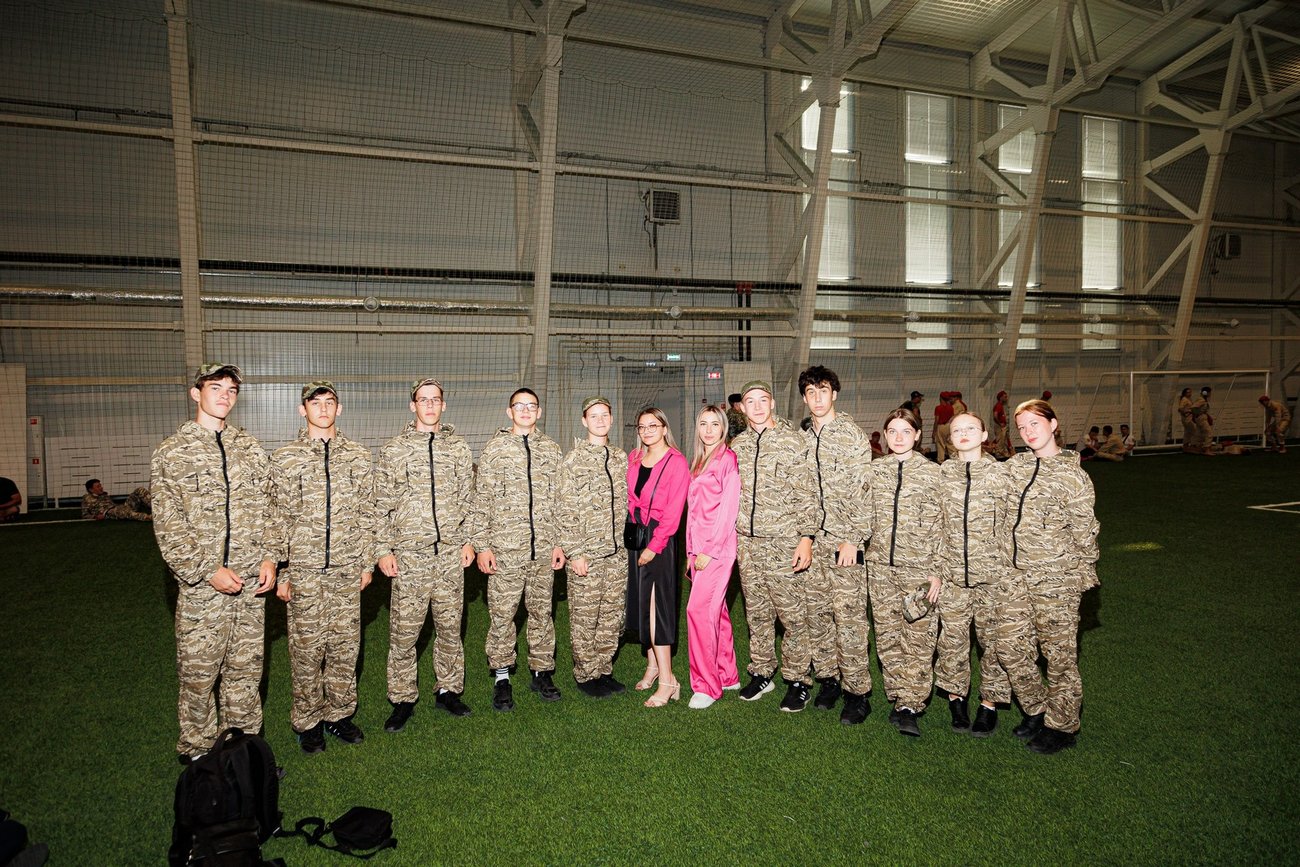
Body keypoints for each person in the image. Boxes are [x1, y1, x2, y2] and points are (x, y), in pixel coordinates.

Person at [151, 363, 273, 763]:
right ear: (195, 393)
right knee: (199, 676)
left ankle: (243, 756)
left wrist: (272, 558)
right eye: (216, 387)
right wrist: (207, 571)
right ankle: (200, 756)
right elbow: (169, 527)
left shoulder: (250, 449)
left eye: (232, 389)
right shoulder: (173, 452)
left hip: (251, 585)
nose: (225, 395)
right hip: (204, 590)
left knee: (244, 674)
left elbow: (271, 510)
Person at [261, 381, 377, 753]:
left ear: (339, 409)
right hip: (305, 570)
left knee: (345, 646)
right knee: (307, 649)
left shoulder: (358, 457)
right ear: (302, 410)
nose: (323, 408)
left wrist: (366, 563)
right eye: (315, 402)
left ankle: (340, 714)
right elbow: (276, 517)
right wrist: (282, 571)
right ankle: (308, 720)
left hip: (346, 568)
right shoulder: (285, 458)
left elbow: (367, 514)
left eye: (330, 402)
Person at [934, 413, 1046, 738]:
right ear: (949, 438)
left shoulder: (1002, 475)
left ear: (985, 435)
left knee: (992, 643)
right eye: (957, 430)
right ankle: (956, 698)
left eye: (971, 428)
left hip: (993, 577)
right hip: (952, 575)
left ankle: (988, 703)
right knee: (952, 641)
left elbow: (1020, 522)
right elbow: (933, 525)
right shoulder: (942, 475)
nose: (964, 434)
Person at [374, 377, 476, 733]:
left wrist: (468, 541)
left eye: (435, 400)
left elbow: (469, 498)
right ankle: (402, 698)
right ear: (412, 405)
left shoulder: (459, 448)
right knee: (405, 633)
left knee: (450, 628)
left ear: (444, 405)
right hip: (410, 557)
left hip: (449, 555)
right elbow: (380, 506)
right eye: (423, 399)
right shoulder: (394, 450)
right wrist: (382, 549)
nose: (430, 405)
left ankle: (448, 689)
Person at [1007, 399, 1100, 755]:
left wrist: (1079, 580)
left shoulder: (1072, 476)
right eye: (1022, 427)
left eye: (1035, 424)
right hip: (1016, 578)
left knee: (1059, 656)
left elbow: (1085, 532)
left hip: (1056, 580)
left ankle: (1062, 726)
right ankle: (1038, 708)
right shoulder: (1016, 466)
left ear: (1053, 424)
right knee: (1011, 648)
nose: (1029, 432)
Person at [468, 388, 566, 711]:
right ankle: (501, 676)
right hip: (506, 552)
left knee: (542, 613)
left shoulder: (551, 450)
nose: (525, 411)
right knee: (502, 615)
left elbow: (559, 502)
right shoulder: (494, 450)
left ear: (539, 412)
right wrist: (482, 546)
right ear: (509, 412)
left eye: (531, 406)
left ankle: (541, 670)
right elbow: (480, 501)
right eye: (519, 406)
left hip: (542, 552)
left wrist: (559, 543)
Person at [731, 380, 820, 712]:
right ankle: (762, 671)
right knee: (757, 613)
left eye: (762, 400)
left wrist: (806, 538)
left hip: (784, 541)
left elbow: (808, 493)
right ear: (741, 407)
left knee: (793, 615)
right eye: (749, 401)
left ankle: (798, 680)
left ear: (772, 403)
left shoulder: (793, 442)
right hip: (748, 544)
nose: (756, 406)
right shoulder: (737, 446)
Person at [799, 366, 873, 724]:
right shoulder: (803, 438)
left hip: (844, 542)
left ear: (835, 394)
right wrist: (805, 537)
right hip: (814, 542)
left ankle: (857, 692)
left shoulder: (851, 435)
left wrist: (853, 539)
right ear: (804, 397)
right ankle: (827, 679)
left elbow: (863, 491)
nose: (817, 397)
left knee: (849, 619)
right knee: (817, 616)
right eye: (811, 391)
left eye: (823, 390)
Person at [864, 408, 944, 737]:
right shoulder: (873, 471)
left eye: (905, 431)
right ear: (884, 435)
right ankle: (898, 696)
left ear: (917, 435)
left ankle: (912, 702)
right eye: (892, 431)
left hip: (919, 570)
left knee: (919, 637)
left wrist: (937, 571)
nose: (898, 438)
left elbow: (945, 527)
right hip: (880, 567)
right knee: (887, 637)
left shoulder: (933, 474)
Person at [556, 396, 629, 699]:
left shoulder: (620, 457)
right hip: (587, 553)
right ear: (584, 421)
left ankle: (604, 668)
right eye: (594, 416)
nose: (600, 420)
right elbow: (563, 508)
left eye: (605, 415)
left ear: (611, 419)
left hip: (617, 553)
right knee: (585, 616)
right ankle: (586, 674)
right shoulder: (573, 460)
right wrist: (574, 552)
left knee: (612, 615)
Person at [626, 407, 690, 708]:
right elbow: (631, 498)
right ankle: (652, 667)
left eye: (653, 425)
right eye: (642, 426)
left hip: (660, 540)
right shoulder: (635, 458)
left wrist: (655, 545)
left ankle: (669, 680)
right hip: (638, 536)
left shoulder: (677, 463)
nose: (647, 430)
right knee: (642, 605)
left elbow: (675, 511)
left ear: (665, 428)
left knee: (657, 610)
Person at [683, 405, 741, 709]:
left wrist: (709, 550)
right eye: (703, 423)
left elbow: (728, 512)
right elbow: (695, 514)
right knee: (716, 612)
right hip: (699, 550)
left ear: (723, 428)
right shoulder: (701, 460)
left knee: (698, 612)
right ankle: (727, 675)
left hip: (716, 551)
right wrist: (691, 551)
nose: (708, 430)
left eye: (714, 424)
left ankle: (706, 686)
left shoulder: (726, 460)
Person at [81, 478, 152, 521]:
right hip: (108, 512)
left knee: (139, 490)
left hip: (118, 508)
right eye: (98, 486)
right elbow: (85, 515)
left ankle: (158, 507)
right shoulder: (87, 499)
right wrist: (95, 516)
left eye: (100, 485)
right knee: (128, 512)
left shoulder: (104, 495)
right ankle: (151, 518)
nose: (101, 487)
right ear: (91, 489)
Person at [1191, 387, 1215, 454]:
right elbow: (1193, 407)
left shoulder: (1202, 399)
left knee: (1199, 433)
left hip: (1200, 417)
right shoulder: (1201, 400)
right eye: (1210, 392)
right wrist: (1197, 413)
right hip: (1201, 417)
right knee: (1209, 433)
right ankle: (1207, 449)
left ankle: (1196, 447)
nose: (1210, 394)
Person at [989, 390, 1013, 459]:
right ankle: (999, 454)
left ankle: (1003, 453)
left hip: (1001, 425)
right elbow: (995, 415)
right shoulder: (998, 405)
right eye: (1005, 397)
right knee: (1000, 440)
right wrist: (1000, 423)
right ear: (1000, 397)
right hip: (999, 426)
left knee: (1004, 440)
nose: (1006, 398)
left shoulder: (1001, 406)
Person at [933, 392, 955, 463]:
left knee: (940, 444)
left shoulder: (938, 408)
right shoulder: (951, 408)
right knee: (950, 444)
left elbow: (936, 420)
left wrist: (934, 431)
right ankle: (954, 459)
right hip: (948, 426)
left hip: (941, 426)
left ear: (940, 398)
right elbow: (952, 418)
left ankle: (941, 460)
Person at [1178, 387, 1196, 452]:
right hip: (1187, 419)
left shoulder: (1189, 399)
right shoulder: (1184, 399)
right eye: (1188, 392)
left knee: (1187, 433)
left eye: (1190, 392)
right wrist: (1186, 413)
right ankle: (1193, 445)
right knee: (1194, 431)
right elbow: (1180, 408)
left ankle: (1185, 446)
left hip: (1189, 418)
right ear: (1185, 393)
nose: (1190, 393)